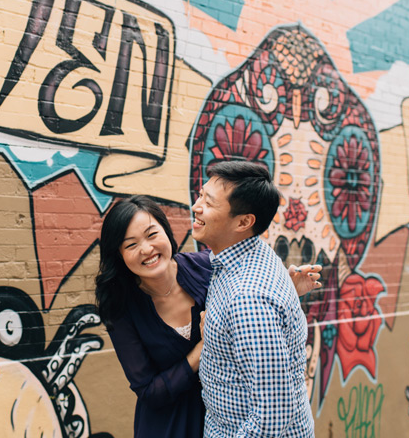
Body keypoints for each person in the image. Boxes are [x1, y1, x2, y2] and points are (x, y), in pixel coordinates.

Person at [95, 194, 320, 438]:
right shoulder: (120, 308)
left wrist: (284, 291)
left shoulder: (208, 266)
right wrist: (205, 346)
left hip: (231, 418)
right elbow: (150, 391)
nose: (147, 249)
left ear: (167, 232)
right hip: (170, 426)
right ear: (119, 255)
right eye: (131, 245)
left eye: (152, 235)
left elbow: (251, 306)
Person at [194, 161, 314, 437]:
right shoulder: (249, 253)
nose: (196, 207)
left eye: (208, 204)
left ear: (244, 222)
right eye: (201, 195)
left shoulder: (248, 299)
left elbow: (273, 415)